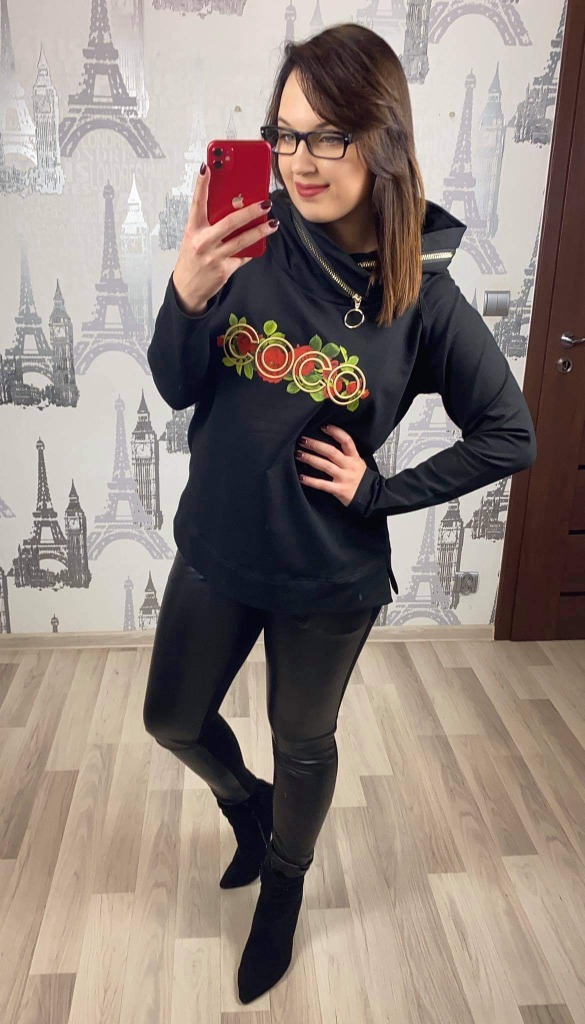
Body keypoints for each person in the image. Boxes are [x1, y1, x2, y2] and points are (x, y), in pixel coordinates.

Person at [142, 22, 537, 1005]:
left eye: (328, 135)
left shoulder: (420, 289)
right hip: (217, 545)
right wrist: (185, 295)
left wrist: (380, 491)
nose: (299, 160)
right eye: (285, 134)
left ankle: (284, 885)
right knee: (172, 719)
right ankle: (248, 808)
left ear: (383, 137)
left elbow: (509, 433)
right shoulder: (247, 238)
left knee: (303, 740)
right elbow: (176, 385)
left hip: (327, 572)